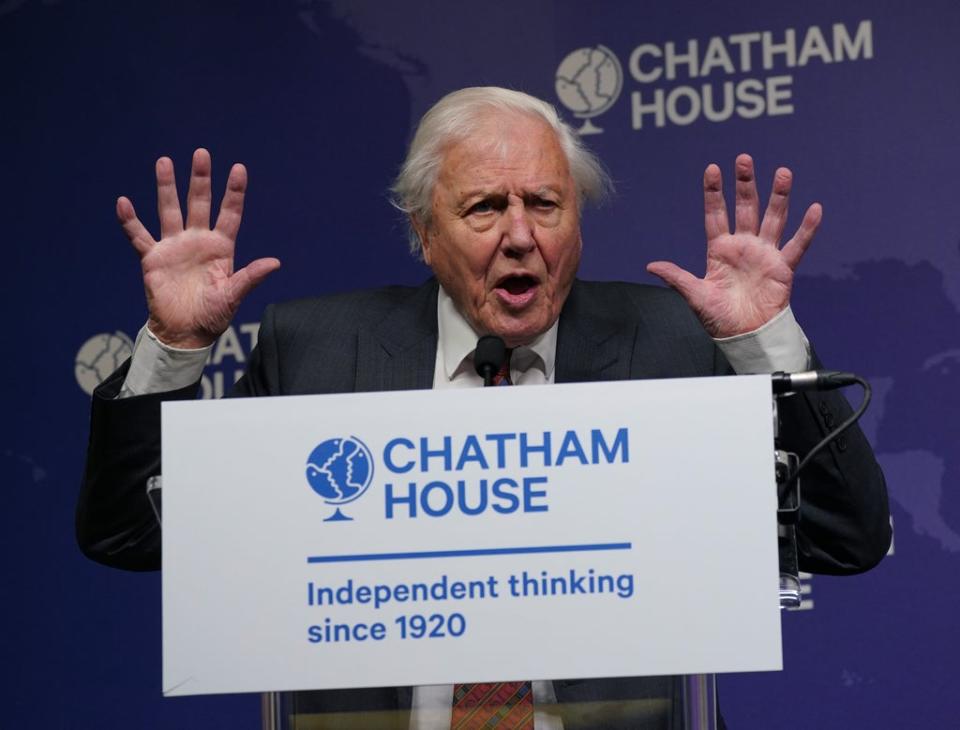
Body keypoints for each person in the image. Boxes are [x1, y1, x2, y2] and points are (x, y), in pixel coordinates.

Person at [77, 87, 890, 730]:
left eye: (545, 204)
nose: (519, 236)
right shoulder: (315, 349)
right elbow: (131, 535)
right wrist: (172, 349)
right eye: (483, 208)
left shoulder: (673, 343)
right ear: (424, 233)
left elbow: (845, 539)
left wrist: (764, 344)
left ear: (577, 221)